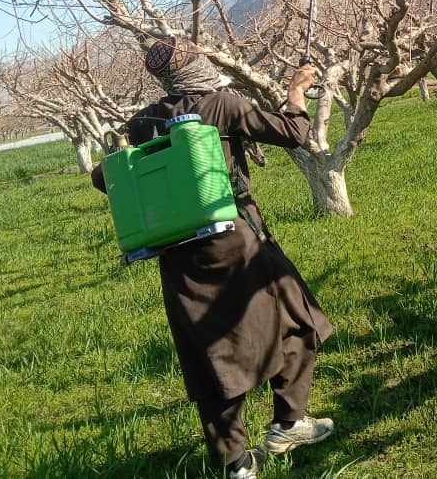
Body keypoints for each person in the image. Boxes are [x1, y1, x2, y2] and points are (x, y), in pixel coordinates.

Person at [92, 36, 334, 479]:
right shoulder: (221, 104)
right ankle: (288, 422)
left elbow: (103, 178)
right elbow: (294, 133)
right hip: (239, 243)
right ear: (197, 67)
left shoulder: (143, 121)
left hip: (179, 257)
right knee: (298, 318)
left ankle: (235, 463)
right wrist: (297, 90)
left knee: (212, 353)